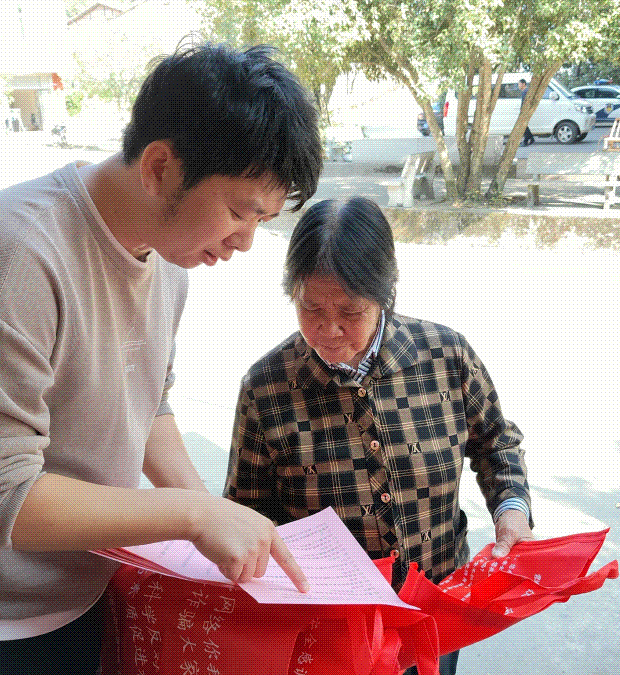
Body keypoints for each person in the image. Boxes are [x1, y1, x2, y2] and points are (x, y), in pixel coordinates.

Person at [0, 41, 322, 675]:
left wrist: (211, 518)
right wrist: (190, 514)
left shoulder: (169, 257)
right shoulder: (4, 259)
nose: (244, 242)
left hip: (93, 588)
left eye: (262, 220)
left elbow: (146, 401)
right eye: (239, 212)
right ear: (160, 167)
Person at [225, 197, 534, 675]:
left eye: (351, 311)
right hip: (329, 626)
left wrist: (511, 510)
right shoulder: (267, 388)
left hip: (435, 605)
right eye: (310, 308)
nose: (329, 330)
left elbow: (496, 441)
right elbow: (246, 512)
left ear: (385, 294)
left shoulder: (445, 356)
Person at [518, 78, 535, 146]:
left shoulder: (525, 92)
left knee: (523, 125)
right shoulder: (525, 91)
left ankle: (526, 140)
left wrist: (523, 111)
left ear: (523, 84)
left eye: (519, 84)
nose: (518, 86)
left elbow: (525, 103)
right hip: (524, 111)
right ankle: (531, 138)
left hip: (525, 111)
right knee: (524, 125)